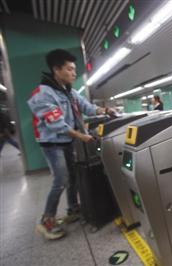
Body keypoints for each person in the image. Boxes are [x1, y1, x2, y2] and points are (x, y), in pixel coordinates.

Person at [27, 49, 116, 240]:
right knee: (61, 179)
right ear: (56, 70)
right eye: (70, 69)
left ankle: (72, 209)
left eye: (74, 69)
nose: (74, 73)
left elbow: (88, 107)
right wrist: (80, 136)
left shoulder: (70, 92)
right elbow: (56, 124)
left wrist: (105, 110)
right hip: (52, 143)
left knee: (72, 175)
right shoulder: (42, 94)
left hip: (66, 141)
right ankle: (46, 221)